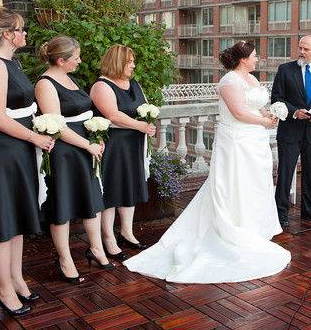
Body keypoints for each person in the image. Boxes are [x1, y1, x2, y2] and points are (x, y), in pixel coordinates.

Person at [123, 41, 291, 283]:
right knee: (235, 183)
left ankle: (256, 228)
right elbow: (239, 113)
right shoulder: (228, 82)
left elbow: (258, 107)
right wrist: (264, 122)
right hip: (236, 141)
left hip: (255, 142)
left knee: (255, 184)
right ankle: (233, 228)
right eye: (254, 56)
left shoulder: (252, 80)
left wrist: (270, 115)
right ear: (243, 59)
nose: (257, 59)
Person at [0, 5, 55, 316]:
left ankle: (17, 280)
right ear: (7, 34)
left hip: (16, 148)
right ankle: (2, 290)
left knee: (16, 217)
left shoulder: (11, 63)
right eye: (20, 29)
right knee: (1, 221)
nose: (24, 34)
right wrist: (35, 137)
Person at [34, 35, 113, 284]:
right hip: (64, 153)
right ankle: (65, 260)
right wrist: (87, 144)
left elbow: (84, 113)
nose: (80, 61)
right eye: (76, 57)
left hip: (85, 148)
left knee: (92, 200)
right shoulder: (45, 85)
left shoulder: (71, 79)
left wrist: (96, 137)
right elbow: (56, 126)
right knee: (63, 205)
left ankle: (96, 248)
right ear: (61, 60)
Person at [90, 45, 156, 260]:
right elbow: (113, 115)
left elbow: (143, 108)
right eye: (129, 62)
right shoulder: (102, 86)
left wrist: (148, 123)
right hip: (114, 144)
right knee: (112, 190)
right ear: (118, 62)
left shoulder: (134, 83)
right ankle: (108, 238)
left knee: (129, 186)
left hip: (134, 143)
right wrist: (140, 126)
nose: (133, 65)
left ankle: (127, 232)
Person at [271, 35, 311, 228]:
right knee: (285, 172)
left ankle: (309, 210)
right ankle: (280, 212)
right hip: (290, 131)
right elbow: (276, 98)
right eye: (300, 47)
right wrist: (294, 112)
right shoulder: (285, 70)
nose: (301, 51)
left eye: (306, 49)